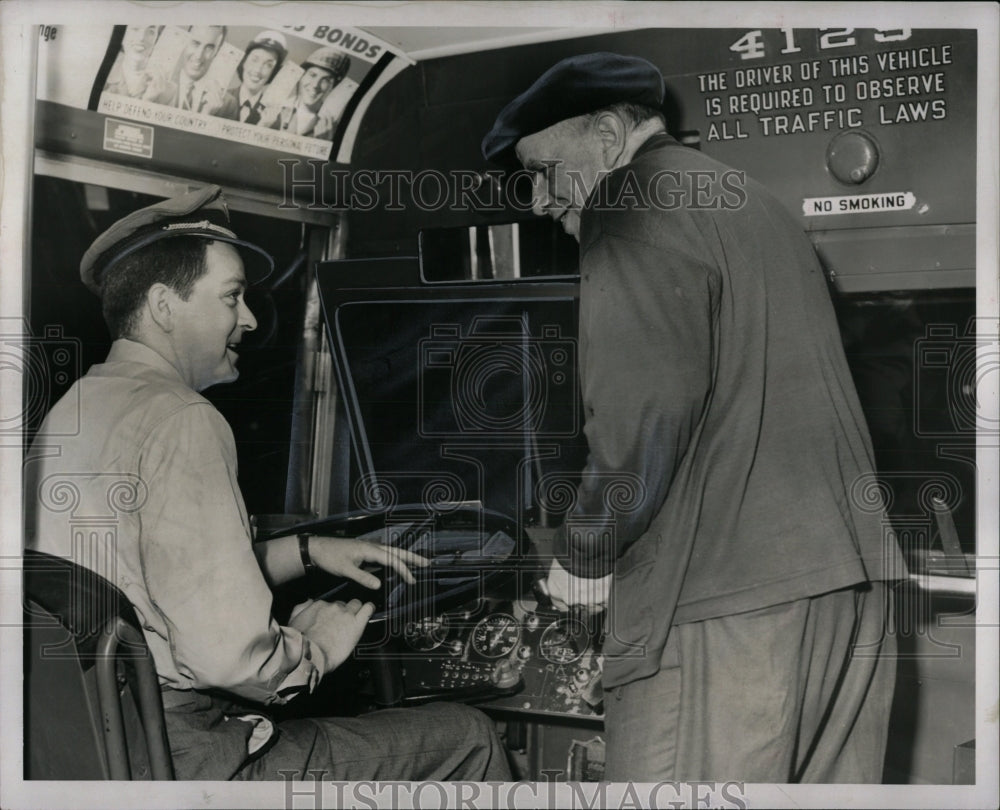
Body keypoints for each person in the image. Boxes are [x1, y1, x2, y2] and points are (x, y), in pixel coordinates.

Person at [482, 52, 907, 783]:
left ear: (610, 134)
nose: (540, 200)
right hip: (849, 586)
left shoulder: (632, 204)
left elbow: (643, 411)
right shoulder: (749, 197)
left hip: (730, 604)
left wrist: (583, 556)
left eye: (546, 169)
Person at [23, 185, 512, 782]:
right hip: (186, 758)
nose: (250, 319)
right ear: (162, 305)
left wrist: (304, 551)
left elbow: (145, 579)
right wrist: (316, 651)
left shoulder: (77, 407)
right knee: (471, 736)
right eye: (232, 297)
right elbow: (230, 660)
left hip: (94, 746)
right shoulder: (183, 418)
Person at [264, 46, 350, 140]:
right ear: (302, 76)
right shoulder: (272, 110)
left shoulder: (333, 129)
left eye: (325, 80)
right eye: (312, 75)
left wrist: (324, 142)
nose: (315, 85)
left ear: (333, 87)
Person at [150, 25, 228, 114]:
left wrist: (207, 115)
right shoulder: (154, 83)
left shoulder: (228, 104)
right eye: (196, 43)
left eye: (209, 48)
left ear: (217, 52)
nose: (199, 55)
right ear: (185, 42)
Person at [216, 31, 287, 124]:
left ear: (273, 73)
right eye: (254, 60)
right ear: (244, 61)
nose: (258, 70)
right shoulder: (218, 98)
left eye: (268, 65)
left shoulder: (273, 117)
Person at [102, 24, 165, 100]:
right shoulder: (105, 75)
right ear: (123, 36)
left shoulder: (167, 91)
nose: (141, 38)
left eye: (151, 32)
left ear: (156, 40)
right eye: (135, 29)